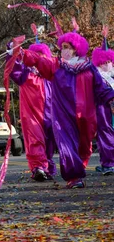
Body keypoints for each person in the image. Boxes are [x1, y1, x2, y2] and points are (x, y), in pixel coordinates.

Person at [22, 20, 114, 188]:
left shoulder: (89, 68)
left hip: (86, 116)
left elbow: (101, 88)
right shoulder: (57, 66)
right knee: (66, 145)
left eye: (67, 47)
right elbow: (39, 61)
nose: (64, 50)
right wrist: (21, 53)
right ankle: (74, 177)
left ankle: (79, 169)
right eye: (62, 46)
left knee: (84, 147)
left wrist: (111, 97)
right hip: (63, 117)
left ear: (76, 48)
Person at [9, 36, 57, 182]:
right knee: (35, 140)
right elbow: (14, 68)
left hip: (51, 115)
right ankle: (38, 167)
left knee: (49, 142)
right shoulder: (25, 75)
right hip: (32, 115)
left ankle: (46, 166)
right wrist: (13, 50)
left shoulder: (51, 77)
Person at [91, 31, 114, 175]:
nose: (106, 65)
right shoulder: (98, 77)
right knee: (106, 136)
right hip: (103, 112)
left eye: (108, 62)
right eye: (103, 63)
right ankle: (108, 163)